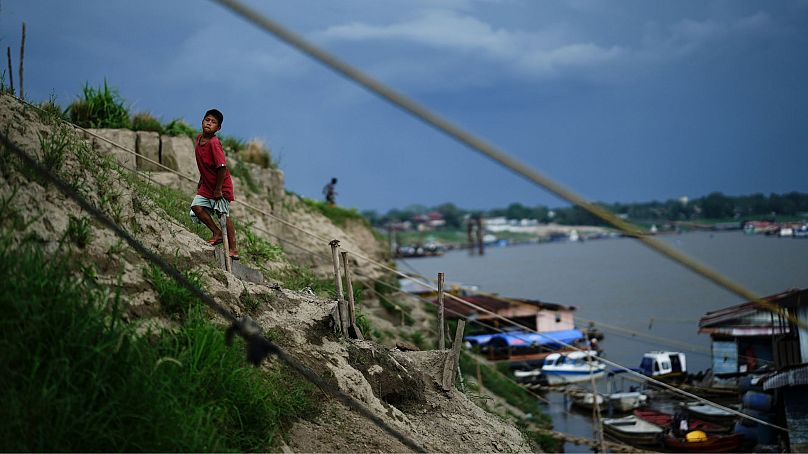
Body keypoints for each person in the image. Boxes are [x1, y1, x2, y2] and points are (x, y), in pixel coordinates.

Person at [189, 108, 238, 260]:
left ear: (218, 128)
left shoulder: (214, 143)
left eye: (213, 122)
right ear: (202, 121)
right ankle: (216, 233)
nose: (209, 123)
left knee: (223, 214)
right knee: (196, 207)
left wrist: (218, 190)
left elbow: (222, 168)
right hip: (207, 185)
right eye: (207, 120)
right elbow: (204, 164)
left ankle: (233, 248)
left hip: (220, 186)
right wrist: (201, 180)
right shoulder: (198, 139)